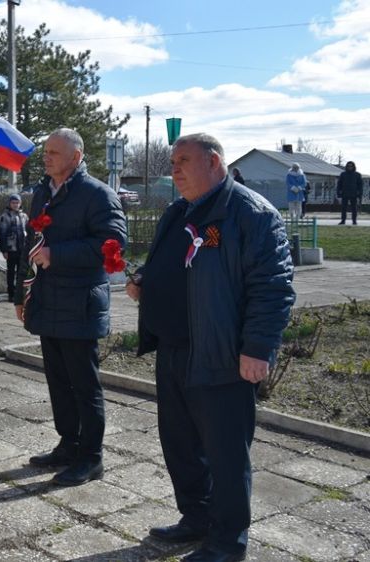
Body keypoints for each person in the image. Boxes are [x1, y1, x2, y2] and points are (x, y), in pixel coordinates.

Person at [127, 133, 294, 562]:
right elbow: (171, 263)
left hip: (223, 355)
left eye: (183, 161)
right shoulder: (179, 211)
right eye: (172, 162)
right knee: (180, 445)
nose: (174, 170)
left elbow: (272, 289)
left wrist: (258, 348)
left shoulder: (251, 214)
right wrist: (146, 281)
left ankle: (226, 542)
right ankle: (196, 519)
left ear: (214, 162)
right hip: (175, 351)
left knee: (224, 454)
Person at [15, 129, 126, 487]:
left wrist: (57, 255)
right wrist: (22, 294)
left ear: (76, 158)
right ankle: (68, 443)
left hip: (80, 304)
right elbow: (32, 244)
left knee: (84, 384)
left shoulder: (97, 194)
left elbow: (112, 244)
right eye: (45, 152)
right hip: (48, 300)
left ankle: (91, 457)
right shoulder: (43, 193)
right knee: (58, 380)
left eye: (54, 153)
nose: (46, 158)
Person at [0, 193, 27, 300]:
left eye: (17, 202)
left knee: (21, 271)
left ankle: (20, 292)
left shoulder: (24, 216)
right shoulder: (5, 217)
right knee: (10, 271)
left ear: (20, 203)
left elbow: (28, 232)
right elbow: (2, 234)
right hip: (11, 249)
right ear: (9, 203)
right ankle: (11, 293)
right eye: (13, 203)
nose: (15, 205)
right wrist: (4, 250)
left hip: (22, 249)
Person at [337, 161, 363, 225]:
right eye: (348, 166)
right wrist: (339, 193)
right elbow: (339, 184)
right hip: (344, 193)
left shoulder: (357, 175)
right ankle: (343, 220)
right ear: (346, 167)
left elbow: (360, 185)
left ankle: (354, 221)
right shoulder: (343, 174)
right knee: (343, 208)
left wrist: (359, 194)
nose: (349, 167)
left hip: (354, 194)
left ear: (353, 167)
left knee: (354, 208)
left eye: (351, 166)